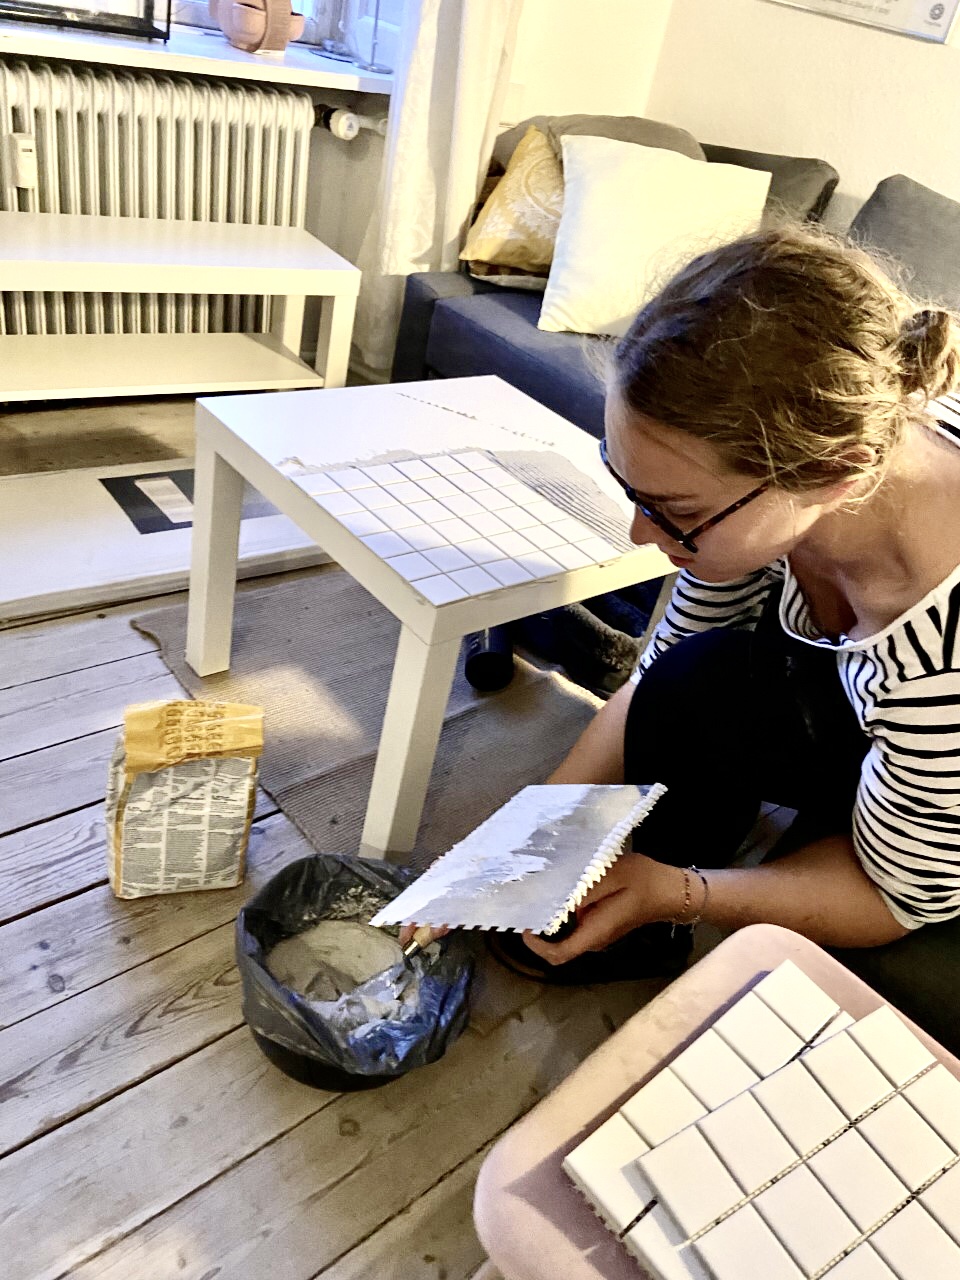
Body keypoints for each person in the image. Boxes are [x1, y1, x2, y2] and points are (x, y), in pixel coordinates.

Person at [406, 223, 960, 1039]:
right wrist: (526, 834)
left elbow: (893, 897)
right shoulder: (815, 462)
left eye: (676, 513)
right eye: (628, 485)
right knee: (694, 678)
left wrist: (678, 891)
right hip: (870, 698)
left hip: (938, 802)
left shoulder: (939, 667)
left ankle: (676, 895)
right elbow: (658, 674)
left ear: (832, 475)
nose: (640, 535)